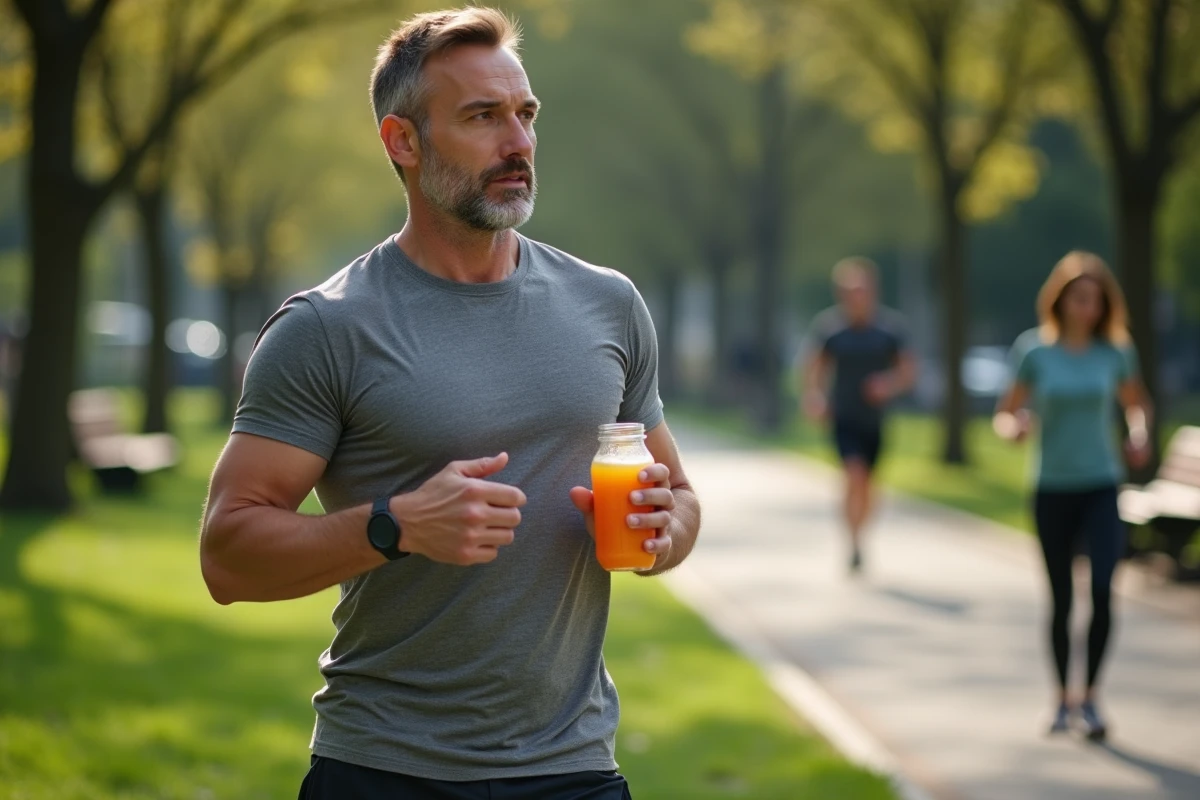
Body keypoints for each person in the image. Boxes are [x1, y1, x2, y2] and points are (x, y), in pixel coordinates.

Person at [198, 9, 701, 799]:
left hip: (573, 769)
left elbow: (680, 499)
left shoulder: (609, 305)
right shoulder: (327, 327)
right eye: (482, 117)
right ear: (402, 141)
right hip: (386, 770)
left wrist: (664, 533)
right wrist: (395, 526)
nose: (519, 143)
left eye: (526, 114)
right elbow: (226, 557)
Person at [993, 251, 1151, 742]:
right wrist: (1014, 428)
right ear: (1060, 300)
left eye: (1096, 300)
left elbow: (1135, 404)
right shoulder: (1034, 351)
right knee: (1061, 598)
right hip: (1052, 487)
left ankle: (1092, 698)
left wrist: (1139, 432)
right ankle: (1062, 698)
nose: (1088, 308)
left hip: (1100, 484)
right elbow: (1005, 413)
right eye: (1080, 298)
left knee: (1102, 590)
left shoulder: (1116, 352)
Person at [800, 257, 916, 573]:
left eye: (861, 289)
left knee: (868, 484)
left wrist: (888, 385)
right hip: (844, 417)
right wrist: (814, 397)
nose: (856, 296)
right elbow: (814, 368)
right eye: (850, 291)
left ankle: (861, 536)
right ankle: (851, 542)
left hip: (875, 420)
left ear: (873, 290)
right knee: (854, 474)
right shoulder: (830, 329)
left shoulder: (890, 330)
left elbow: (907, 372)